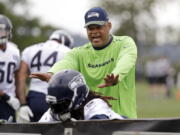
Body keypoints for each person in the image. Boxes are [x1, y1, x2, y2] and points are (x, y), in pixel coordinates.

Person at [31, 7, 137, 118]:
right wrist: (52, 74)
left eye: (98, 27)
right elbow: (66, 62)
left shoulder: (124, 43)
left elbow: (127, 59)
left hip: (124, 119)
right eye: (90, 28)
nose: (94, 32)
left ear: (109, 26)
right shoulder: (79, 53)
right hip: (92, 120)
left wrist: (116, 75)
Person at [16, 30, 74, 122]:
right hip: (56, 99)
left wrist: (23, 104)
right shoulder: (67, 51)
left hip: (34, 98)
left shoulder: (30, 49)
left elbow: (20, 77)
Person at [39, 69, 124, 122]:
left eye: (61, 104)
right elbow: (38, 130)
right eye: (53, 105)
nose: (56, 110)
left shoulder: (95, 105)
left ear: (78, 95)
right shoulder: (54, 111)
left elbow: (98, 129)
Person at [0, 14, 21, 122]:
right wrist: (6, 96)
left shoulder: (15, 51)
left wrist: (21, 102)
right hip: (6, 98)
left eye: (2, 31)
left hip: (9, 101)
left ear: (8, 32)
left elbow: (17, 78)